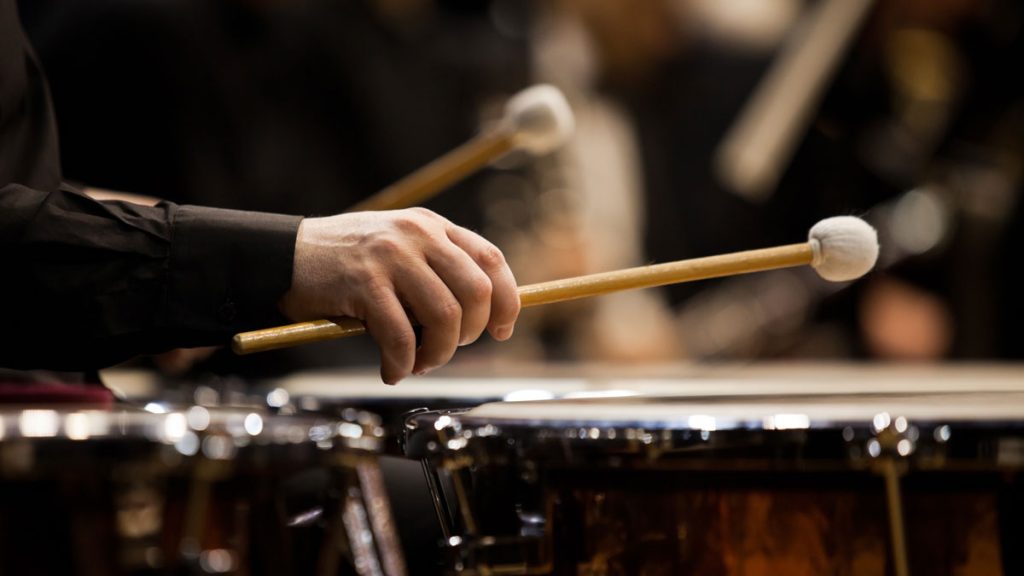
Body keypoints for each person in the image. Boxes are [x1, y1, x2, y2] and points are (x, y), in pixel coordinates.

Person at [0, 0, 520, 385]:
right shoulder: (122, 25)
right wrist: (277, 256)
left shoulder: (299, 34)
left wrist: (117, 225)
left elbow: (27, 185)